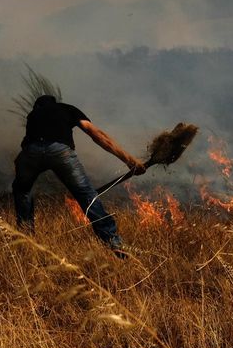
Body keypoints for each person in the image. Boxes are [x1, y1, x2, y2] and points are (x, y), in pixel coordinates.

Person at [12, 95, 145, 255]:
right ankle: (113, 242)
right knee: (86, 195)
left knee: (22, 192)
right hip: (61, 152)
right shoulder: (67, 108)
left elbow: (24, 149)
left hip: (30, 153)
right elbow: (96, 134)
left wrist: (21, 173)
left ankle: (26, 243)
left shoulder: (33, 115)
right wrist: (129, 160)